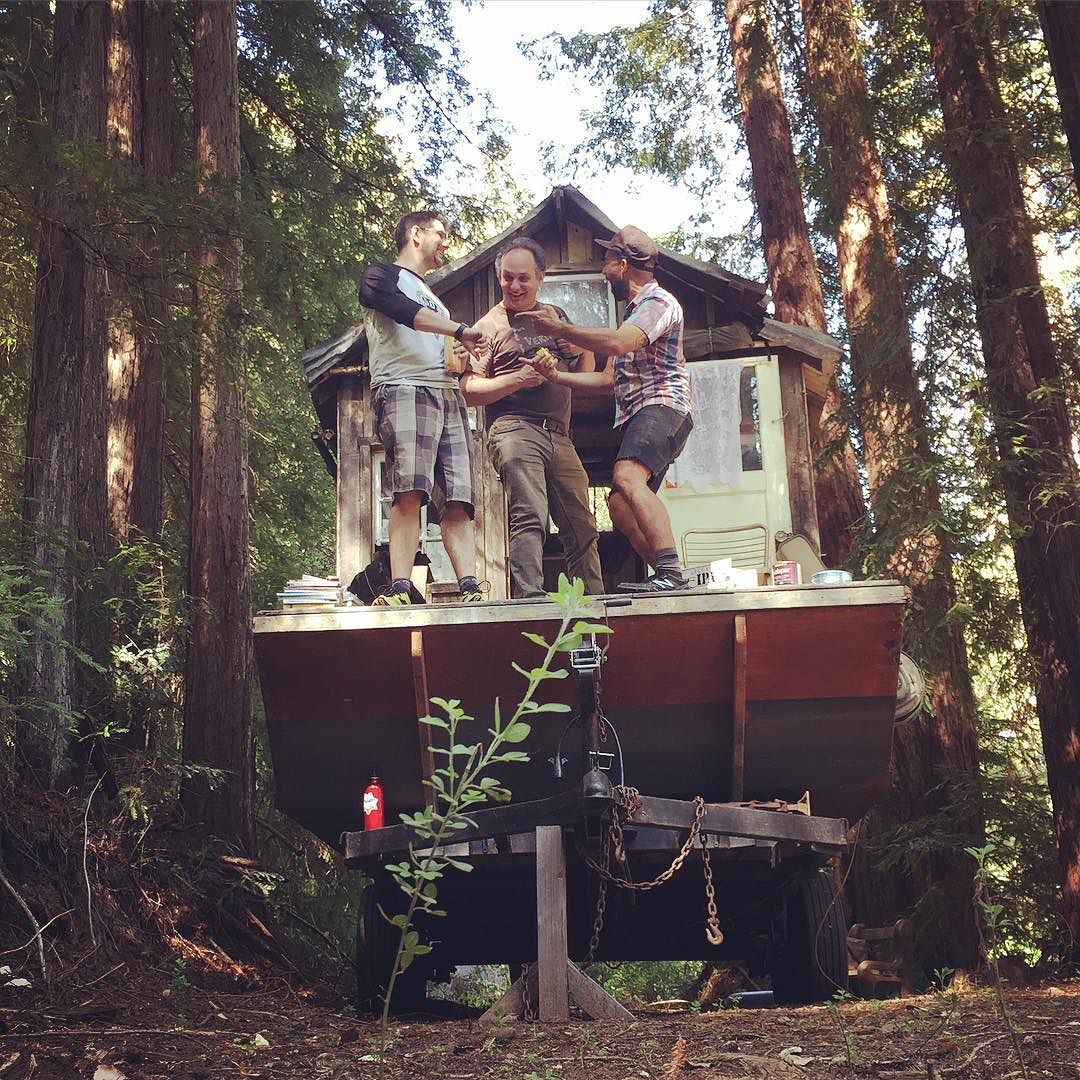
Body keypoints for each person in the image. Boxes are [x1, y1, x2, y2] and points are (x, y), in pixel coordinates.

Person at [522, 226, 693, 592]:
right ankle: (669, 577)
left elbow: (617, 343)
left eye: (606, 262)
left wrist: (561, 329)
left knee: (627, 477)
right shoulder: (633, 316)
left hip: (663, 405)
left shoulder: (658, 304)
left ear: (622, 264)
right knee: (618, 505)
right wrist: (554, 375)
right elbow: (605, 381)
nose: (602, 270)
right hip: (643, 412)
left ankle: (670, 573)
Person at [459, 237, 604, 598]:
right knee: (530, 513)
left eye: (523, 278)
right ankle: (530, 600)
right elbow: (469, 388)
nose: (515, 286)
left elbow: (585, 371)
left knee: (582, 522)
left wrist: (581, 348)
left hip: (560, 434)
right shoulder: (487, 326)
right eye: (508, 278)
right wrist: (519, 379)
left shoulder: (555, 317)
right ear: (499, 278)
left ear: (540, 277)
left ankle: (593, 604)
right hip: (513, 428)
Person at [358, 210, 489, 605]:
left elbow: (440, 348)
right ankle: (399, 587)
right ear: (415, 234)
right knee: (410, 488)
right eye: (440, 233)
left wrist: (464, 358)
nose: (446, 242)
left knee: (458, 498)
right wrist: (460, 330)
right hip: (403, 388)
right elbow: (398, 310)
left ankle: (469, 587)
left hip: (447, 395)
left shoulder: (436, 301)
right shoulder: (382, 276)